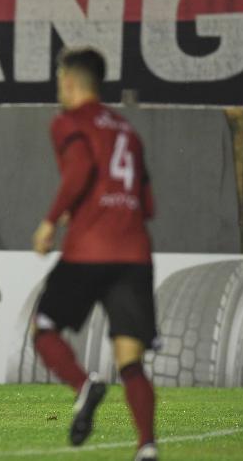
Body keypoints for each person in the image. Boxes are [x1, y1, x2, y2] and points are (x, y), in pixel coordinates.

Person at [31, 47, 158, 461]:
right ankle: (147, 446)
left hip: (89, 250)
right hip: (134, 253)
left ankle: (85, 386)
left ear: (68, 80)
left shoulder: (69, 122)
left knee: (45, 329)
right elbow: (148, 203)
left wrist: (51, 220)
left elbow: (80, 169)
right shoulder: (128, 131)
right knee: (131, 359)